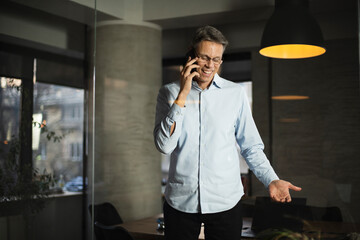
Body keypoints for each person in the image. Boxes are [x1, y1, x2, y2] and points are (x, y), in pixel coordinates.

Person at [153, 25, 301, 240]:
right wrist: (183, 94)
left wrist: (271, 179)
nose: (209, 65)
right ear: (191, 55)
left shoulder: (235, 94)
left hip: (225, 201)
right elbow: (164, 146)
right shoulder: (169, 92)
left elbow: (250, 146)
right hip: (180, 203)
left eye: (216, 59)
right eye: (204, 58)